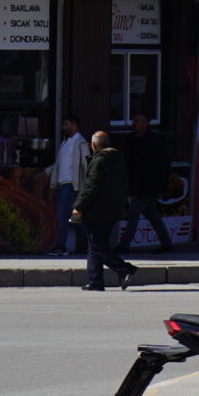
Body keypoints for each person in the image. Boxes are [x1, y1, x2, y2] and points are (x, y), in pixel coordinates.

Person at [72, 129, 140, 290]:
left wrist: (78, 206)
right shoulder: (118, 159)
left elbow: (91, 187)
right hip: (112, 210)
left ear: (94, 145)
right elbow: (125, 185)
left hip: (97, 211)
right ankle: (95, 280)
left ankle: (126, 269)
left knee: (97, 247)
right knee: (95, 246)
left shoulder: (98, 161)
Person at [119, 112, 175, 252]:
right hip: (136, 183)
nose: (134, 124)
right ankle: (167, 243)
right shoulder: (130, 140)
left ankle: (124, 244)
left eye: (137, 121)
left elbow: (164, 164)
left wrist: (161, 183)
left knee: (133, 213)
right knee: (152, 215)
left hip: (148, 184)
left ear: (145, 124)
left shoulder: (156, 141)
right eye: (134, 120)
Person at [49, 114, 89, 256]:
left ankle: (61, 247)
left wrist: (86, 186)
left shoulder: (80, 142)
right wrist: (47, 172)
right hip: (62, 184)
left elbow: (86, 164)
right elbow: (58, 164)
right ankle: (94, 241)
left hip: (72, 185)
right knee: (71, 219)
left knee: (62, 217)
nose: (63, 127)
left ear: (73, 125)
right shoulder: (65, 143)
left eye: (65, 124)